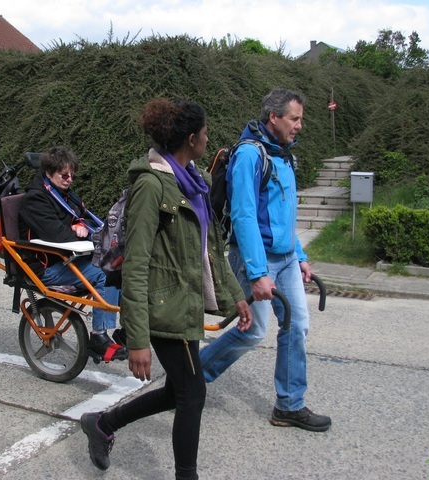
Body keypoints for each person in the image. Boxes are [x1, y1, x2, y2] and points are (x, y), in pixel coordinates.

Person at [79, 98, 252, 480]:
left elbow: (211, 248)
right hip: (162, 304)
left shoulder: (195, 183)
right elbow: (136, 264)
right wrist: (137, 338)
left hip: (184, 303)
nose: (209, 139)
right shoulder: (150, 185)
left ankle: (102, 423)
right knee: (193, 394)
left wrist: (236, 295)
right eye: (205, 134)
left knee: (182, 392)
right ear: (191, 139)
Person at [199, 88, 331, 432]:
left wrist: (300, 255)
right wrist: (258, 274)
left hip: (285, 260)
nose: (300, 125)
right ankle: (191, 377)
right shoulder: (249, 155)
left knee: (296, 326)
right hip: (254, 260)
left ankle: (289, 405)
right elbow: (243, 216)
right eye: (295, 118)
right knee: (252, 331)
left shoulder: (284, 155)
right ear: (273, 117)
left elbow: (285, 214)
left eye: (300, 118)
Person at [18, 146, 128, 362]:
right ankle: (98, 336)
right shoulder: (36, 199)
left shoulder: (63, 194)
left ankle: (126, 329)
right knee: (105, 274)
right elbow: (58, 235)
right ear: (49, 173)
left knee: (120, 265)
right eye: (64, 175)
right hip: (47, 266)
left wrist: (81, 225)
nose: (69, 179)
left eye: (72, 175)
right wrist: (76, 230)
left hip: (68, 259)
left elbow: (83, 217)